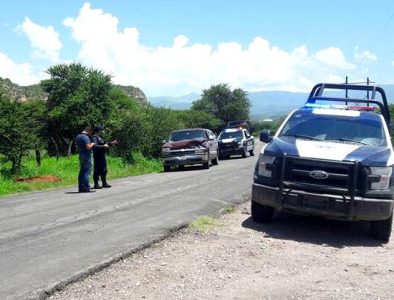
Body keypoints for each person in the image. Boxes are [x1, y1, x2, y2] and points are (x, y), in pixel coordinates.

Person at [76, 126, 97, 193]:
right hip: (87, 156)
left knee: (82, 171)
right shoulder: (85, 137)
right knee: (87, 172)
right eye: (91, 132)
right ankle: (86, 188)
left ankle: (81, 187)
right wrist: (93, 144)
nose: (90, 134)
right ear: (89, 130)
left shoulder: (78, 136)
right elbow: (88, 147)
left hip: (81, 155)